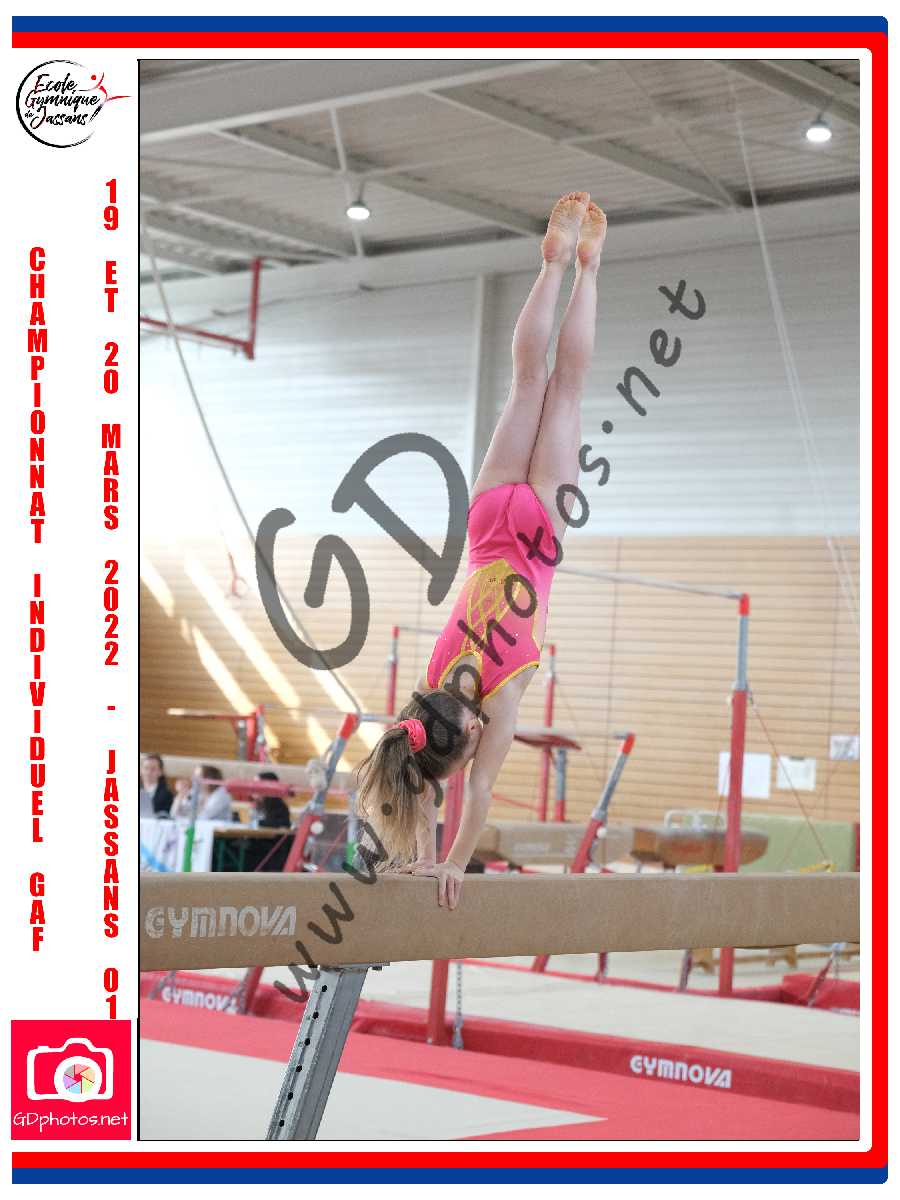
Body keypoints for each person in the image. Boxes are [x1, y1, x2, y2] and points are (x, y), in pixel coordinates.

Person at [356, 191, 606, 909]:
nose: (474, 752)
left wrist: (452, 864)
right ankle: (554, 265)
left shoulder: (497, 697)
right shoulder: (430, 683)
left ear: (467, 734)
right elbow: (414, 769)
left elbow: (479, 787)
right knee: (528, 382)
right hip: (489, 519)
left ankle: (588, 268)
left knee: (566, 391)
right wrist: (422, 854)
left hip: (540, 530)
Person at [139, 753, 174, 818]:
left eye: (153, 769)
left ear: (160, 772)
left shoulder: (167, 795)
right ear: (141, 770)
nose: (148, 772)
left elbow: (166, 816)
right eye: (146, 768)